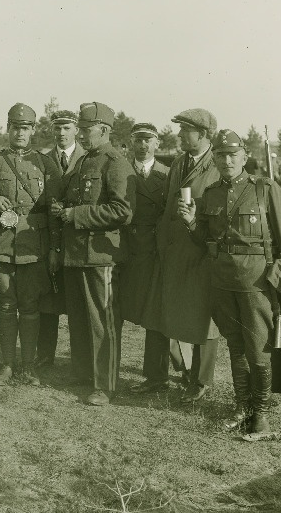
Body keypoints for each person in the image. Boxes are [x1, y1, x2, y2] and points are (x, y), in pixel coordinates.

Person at [177, 129, 281, 433]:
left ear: (244, 157)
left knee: (258, 349)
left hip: (256, 283)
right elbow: (205, 240)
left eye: (233, 155)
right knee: (235, 345)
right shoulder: (211, 194)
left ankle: (261, 412)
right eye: (221, 156)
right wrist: (191, 222)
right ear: (215, 159)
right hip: (222, 281)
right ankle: (242, 406)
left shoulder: (265, 189)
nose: (227, 161)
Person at [52, 102, 135, 406]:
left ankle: (105, 384)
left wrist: (75, 214)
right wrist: (64, 209)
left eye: (87, 130)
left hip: (101, 256)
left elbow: (123, 211)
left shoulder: (116, 163)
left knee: (102, 321)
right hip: (76, 254)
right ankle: (84, 373)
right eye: (82, 130)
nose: (81, 135)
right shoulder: (86, 160)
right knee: (79, 318)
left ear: (104, 130)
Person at [0, 102, 62, 387]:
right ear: (8, 128)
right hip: (2, 244)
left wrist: (54, 247)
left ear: (33, 130)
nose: (20, 133)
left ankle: (28, 366)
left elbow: (53, 211)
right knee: (5, 304)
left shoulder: (46, 164)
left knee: (29, 306)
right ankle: (7, 364)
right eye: (15, 128)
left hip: (33, 246)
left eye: (25, 128)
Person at [144, 108, 221, 403]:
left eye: (184, 130)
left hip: (200, 253)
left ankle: (200, 381)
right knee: (160, 312)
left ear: (201, 134)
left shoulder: (217, 165)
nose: (178, 135)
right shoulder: (179, 162)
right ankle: (156, 377)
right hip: (171, 250)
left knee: (203, 319)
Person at [120, 123, 172, 393]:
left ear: (157, 143)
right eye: (138, 140)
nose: (143, 145)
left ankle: (157, 376)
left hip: (155, 251)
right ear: (131, 143)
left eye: (148, 140)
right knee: (116, 309)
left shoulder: (167, 174)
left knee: (156, 316)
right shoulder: (121, 170)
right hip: (126, 249)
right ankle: (105, 370)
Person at [36, 109, 85, 368]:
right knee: (49, 301)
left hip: (80, 240)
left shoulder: (87, 158)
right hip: (50, 238)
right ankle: (45, 356)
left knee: (79, 304)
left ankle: (80, 362)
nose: (62, 133)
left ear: (76, 130)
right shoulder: (43, 160)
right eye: (57, 128)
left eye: (67, 128)